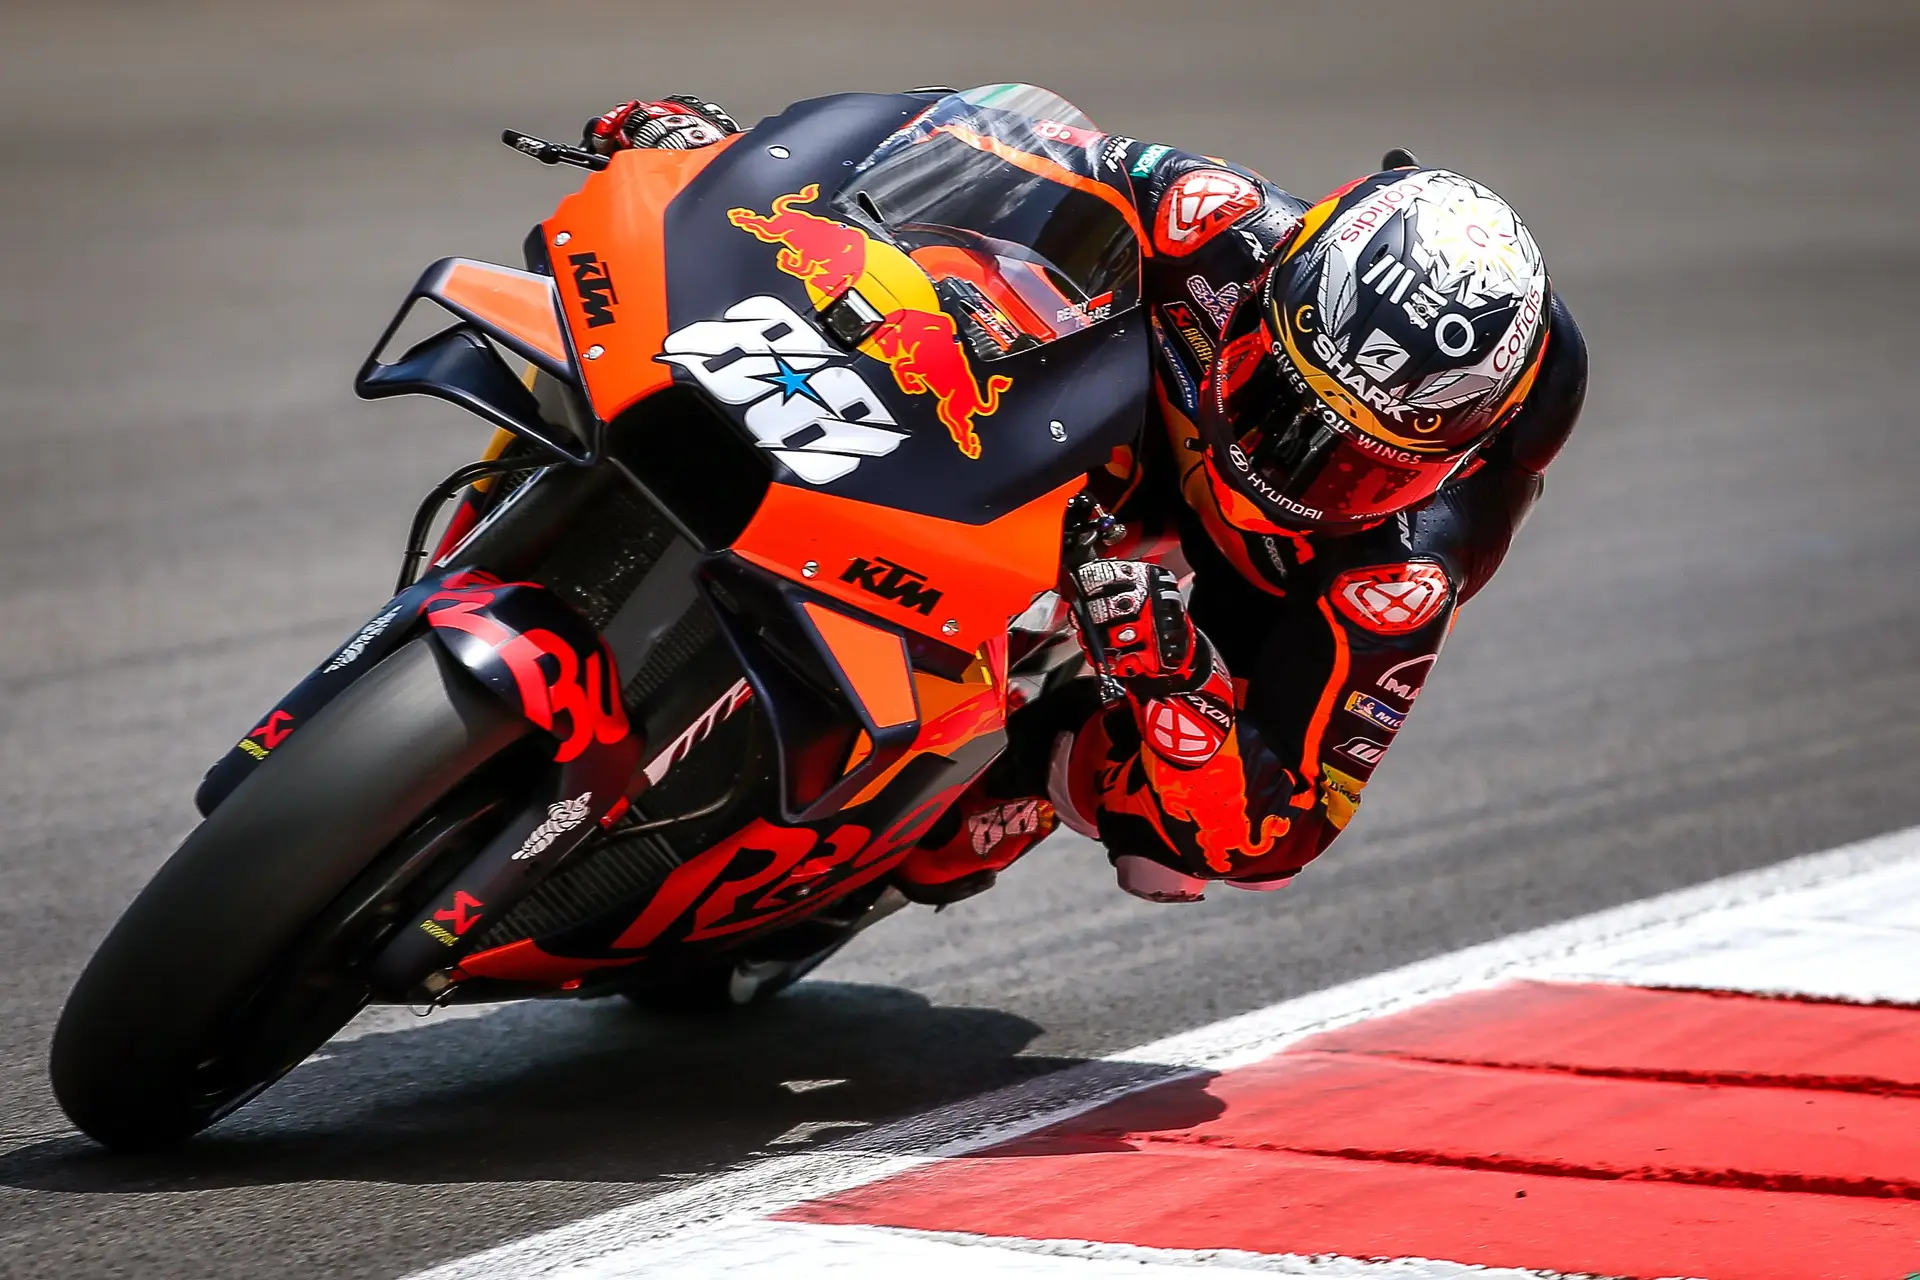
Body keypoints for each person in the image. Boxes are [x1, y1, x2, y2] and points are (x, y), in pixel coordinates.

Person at [584, 93, 1588, 904]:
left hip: (1253, 585)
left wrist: (1175, 678)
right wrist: (732, 162)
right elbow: (963, 147)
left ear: (1444, 459)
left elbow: (1280, 832)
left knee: (1141, 847)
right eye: (1280, 402)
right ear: (1270, 299)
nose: (1288, 464)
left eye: (1356, 462)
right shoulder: (1214, 219)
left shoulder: (1401, 570)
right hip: (1104, 417)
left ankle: (1023, 765)